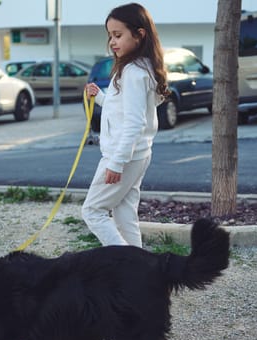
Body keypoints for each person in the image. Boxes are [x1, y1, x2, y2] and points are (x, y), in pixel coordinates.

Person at [82, 3, 169, 247]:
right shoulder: (143, 68)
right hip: (138, 155)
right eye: (110, 36)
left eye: (118, 35)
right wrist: (99, 96)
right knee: (124, 214)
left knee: (92, 211)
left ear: (140, 34)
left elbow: (134, 122)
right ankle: (140, 270)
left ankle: (125, 263)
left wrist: (116, 162)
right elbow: (125, 109)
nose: (112, 41)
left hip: (124, 157)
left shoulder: (132, 71)